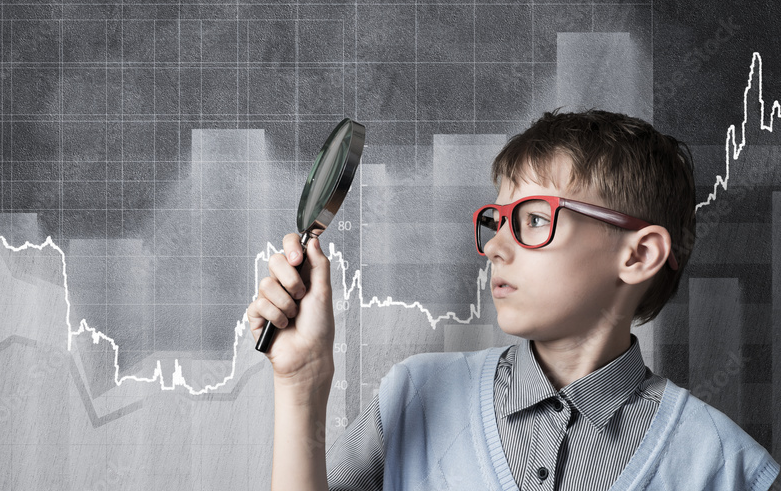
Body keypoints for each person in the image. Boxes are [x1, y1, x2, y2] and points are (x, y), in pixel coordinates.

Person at [246, 109, 780, 490]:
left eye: (534, 219)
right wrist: (301, 385)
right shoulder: (412, 396)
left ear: (638, 256)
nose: (496, 247)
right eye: (496, 222)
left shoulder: (728, 468)